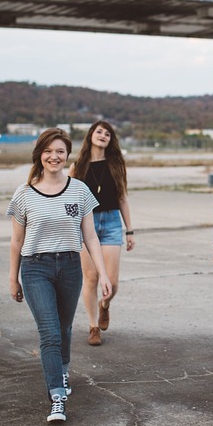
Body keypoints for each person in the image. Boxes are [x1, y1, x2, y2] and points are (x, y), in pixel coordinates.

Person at [7, 128, 112, 424]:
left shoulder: (79, 190)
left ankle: (62, 371)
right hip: (35, 267)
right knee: (50, 332)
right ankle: (56, 396)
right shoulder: (24, 193)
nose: (54, 157)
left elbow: (90, 236)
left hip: (69, 266)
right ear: (39, 154)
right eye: (49, 151)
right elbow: (16, 240)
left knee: (64, 329)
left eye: (60, 151)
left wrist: (103, 274)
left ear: (67, 155)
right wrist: (13, 278)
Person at [70, 121, 135, 347]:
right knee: (91, 278)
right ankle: (93, 326)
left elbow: (123, 199)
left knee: (112, 282)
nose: (103, 135)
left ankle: (104, 306)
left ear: (111, 140)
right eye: (99, 131)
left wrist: (130, 230)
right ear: (90, 136)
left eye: (108, 133)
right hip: (85, 225)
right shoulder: (77, 166)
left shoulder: (117, 165)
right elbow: (71, 200)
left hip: (111, 224)